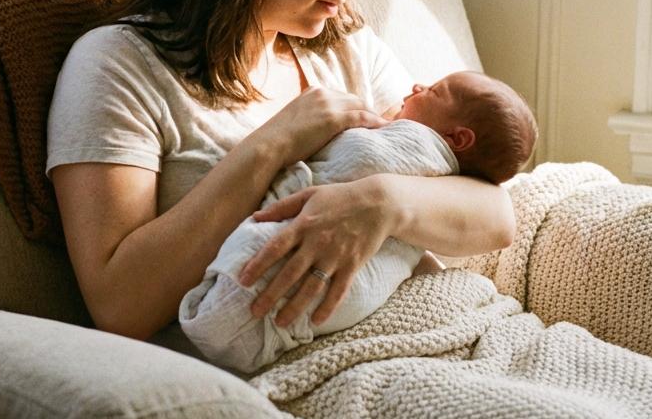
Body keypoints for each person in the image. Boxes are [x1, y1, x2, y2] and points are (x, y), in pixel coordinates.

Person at [46, 0, 516, 356]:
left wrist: (381, 202)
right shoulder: (119, 66)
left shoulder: (345, 50)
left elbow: (495, 214)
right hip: (300, 360)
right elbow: (119, 305)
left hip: (440, 330)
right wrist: (271, 144)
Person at [180, 71, 537, 373]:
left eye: (432, 90)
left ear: (458, 138)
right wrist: (275, 143)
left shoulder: (412, 134)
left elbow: (501, 219)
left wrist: (380, 200)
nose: (416, 87)